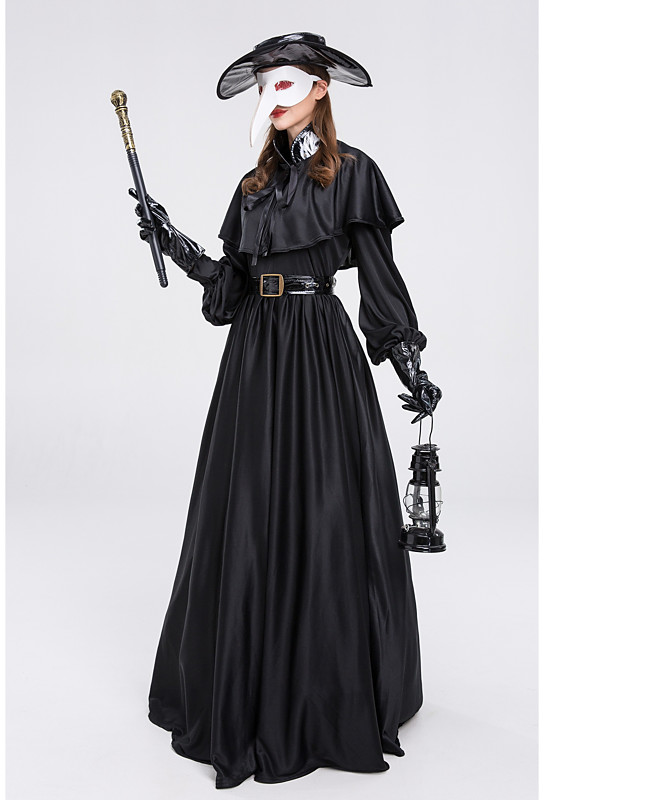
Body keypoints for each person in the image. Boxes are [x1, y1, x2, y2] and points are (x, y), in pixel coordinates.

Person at [131, 32, 442, 789]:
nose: (273, 97)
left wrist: (408, 359)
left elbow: (380, 278)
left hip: (319, 352)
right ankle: (248, 679)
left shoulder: (354, 174)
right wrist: (175, 243)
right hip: (255, 357)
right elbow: (230, 292)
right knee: (247, 507)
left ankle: (323, 691)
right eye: (265, 84)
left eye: (287, 82)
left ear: (320, 89)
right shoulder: (253, 186)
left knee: (326, 506)